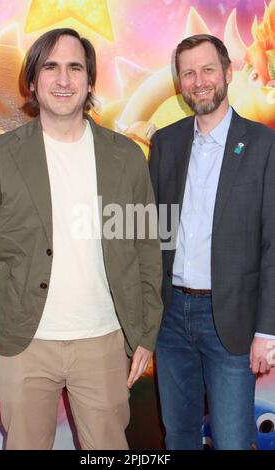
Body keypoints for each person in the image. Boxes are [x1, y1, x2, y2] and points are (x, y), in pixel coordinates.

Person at [0, 28, 163, 450]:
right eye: (51, 67)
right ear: (33, 80)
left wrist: (145, 336)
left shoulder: (126, 157)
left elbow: (146, 250)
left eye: (75, 67)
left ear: (90, 81)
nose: (63, 79)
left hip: (103, 342)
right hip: (23, 347)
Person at [149, 34, 275, 450]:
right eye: (188, 73)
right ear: (179, 83)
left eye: (207, 70)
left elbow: (273, 244)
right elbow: (155, 233)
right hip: (171, 320)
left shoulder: (263, 144)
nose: (198, 81)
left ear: (227, 73)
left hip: (231, 321)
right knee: (179, 434)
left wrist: (268, 331)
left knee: (232, 440)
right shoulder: (165, 143)